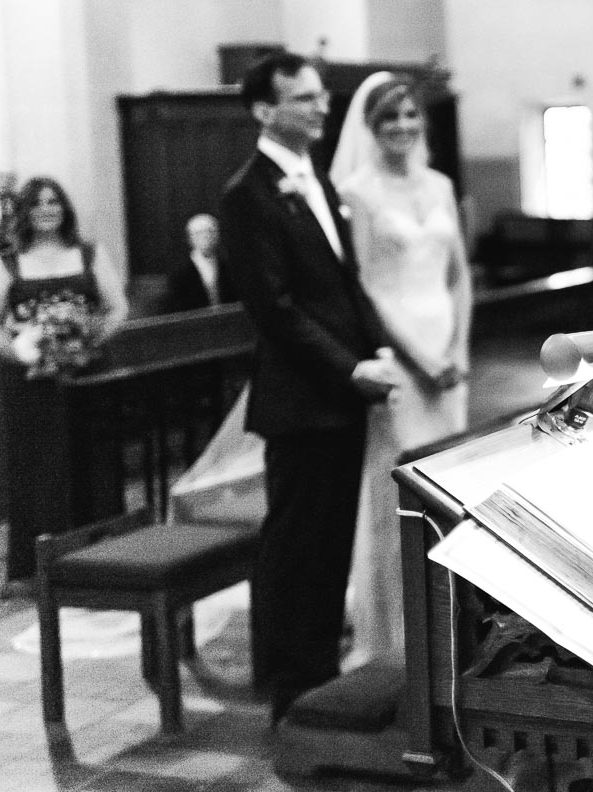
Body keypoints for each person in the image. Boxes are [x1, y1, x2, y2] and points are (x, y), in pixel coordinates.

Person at [218, 51, 402, 726]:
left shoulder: (313, 178)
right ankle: (290, 691)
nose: (322, 107)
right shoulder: (249, 194)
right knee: (297, 546)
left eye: (322, 96)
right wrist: (346, 368)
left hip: (340, 394)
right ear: (265, 110)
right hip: (301, 400)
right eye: (304, 99)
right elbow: (275, 307)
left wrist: (377, 348)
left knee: (329, 546)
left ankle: (319, 673)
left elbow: (343, 281)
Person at [332, 72, 472, 668]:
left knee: (448, 484)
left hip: (447, 350)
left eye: (410, 115)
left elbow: (459, 274)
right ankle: (395, 634)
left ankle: (447, 621)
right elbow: (365, 287)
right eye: (389, 118)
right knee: (400, 489)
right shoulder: (358, 192)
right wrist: (420, 358)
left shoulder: (439, 184)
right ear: (370, 127)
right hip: (400, 357)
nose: (402, 127)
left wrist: (460, 347)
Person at [0, 176, 129, 591]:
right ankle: (42, 568)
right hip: (32, 385)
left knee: (94, 462)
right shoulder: (9, 262)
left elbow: (116, 307)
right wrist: (21, 348)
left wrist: (87, 340)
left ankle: (104, 560)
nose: (47, 209)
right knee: (42, 470)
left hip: (88, 376)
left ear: (65, 208)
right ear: (25, 212)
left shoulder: (88, 253)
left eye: (54, 201)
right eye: (38, 203)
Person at [161, 213, 237, 312]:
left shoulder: (228, 267)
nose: (206, 236)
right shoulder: (179, 272)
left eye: (211, 231)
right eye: (199, 233)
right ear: (190, 238)